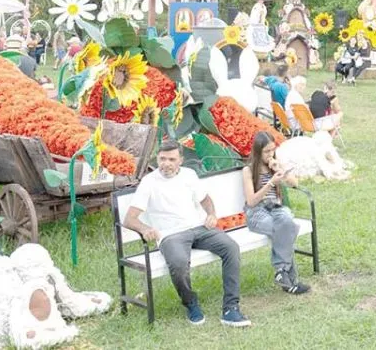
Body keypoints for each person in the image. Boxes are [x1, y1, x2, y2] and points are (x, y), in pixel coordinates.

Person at [123, 141, 251, 326]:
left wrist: (211, 215)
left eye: (172, 159)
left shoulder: (189, 175)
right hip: (170, 234)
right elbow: (129, 219)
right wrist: (145, 229)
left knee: (231, 248)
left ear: (181, 160)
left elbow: (206, 199)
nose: (166, 163)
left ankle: (231, 308)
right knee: (179, 264)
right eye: (162, 159)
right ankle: (191, 302)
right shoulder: (149, 182)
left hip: (198, 227)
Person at [242, 132, 309, 295]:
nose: (270, 154)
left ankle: (281, 272)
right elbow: (251, 201)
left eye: (272, 150)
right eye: (266, 151)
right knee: (285, 228)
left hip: (276, 209)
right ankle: (290, 280)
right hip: (257, 212)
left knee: (287, 223)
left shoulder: (275, 165)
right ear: (258, 152)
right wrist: (271, 183)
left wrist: (281, 170)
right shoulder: (249, 170)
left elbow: (294, 184)